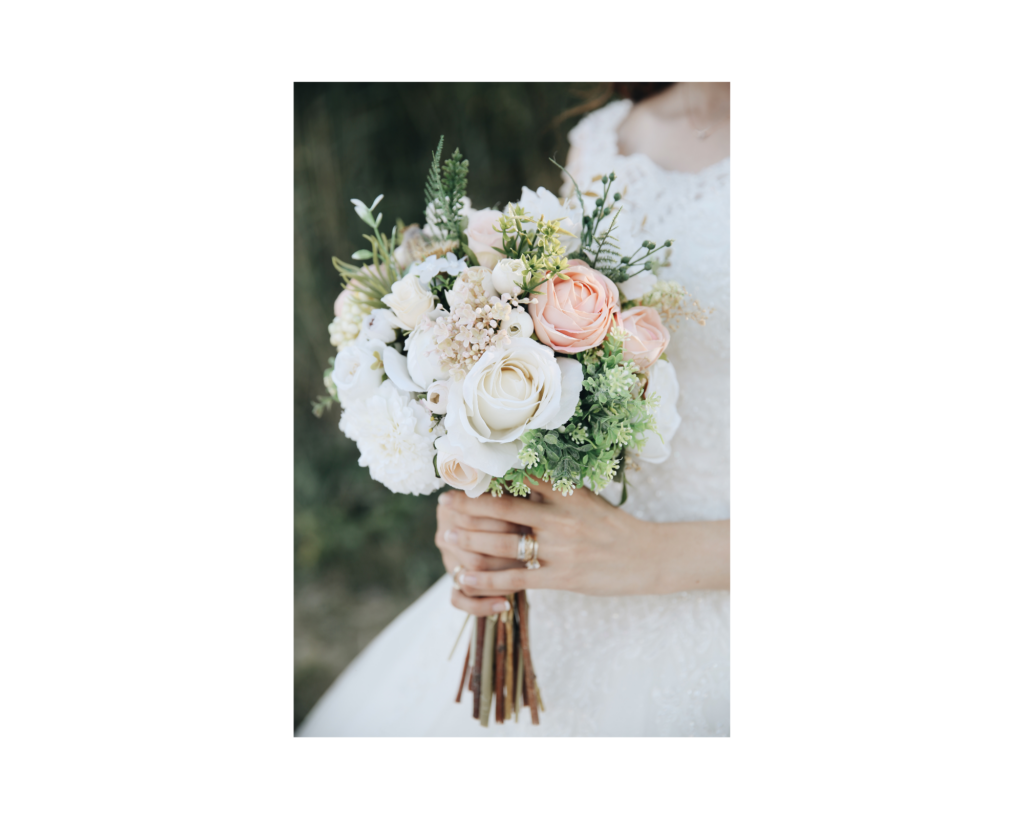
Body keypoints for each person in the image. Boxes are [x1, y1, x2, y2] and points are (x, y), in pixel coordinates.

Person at [298, 82, 731, 736]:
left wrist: (649, 554)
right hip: (560, 574)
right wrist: (486, 499)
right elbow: (561, 363)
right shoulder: (606, 137)